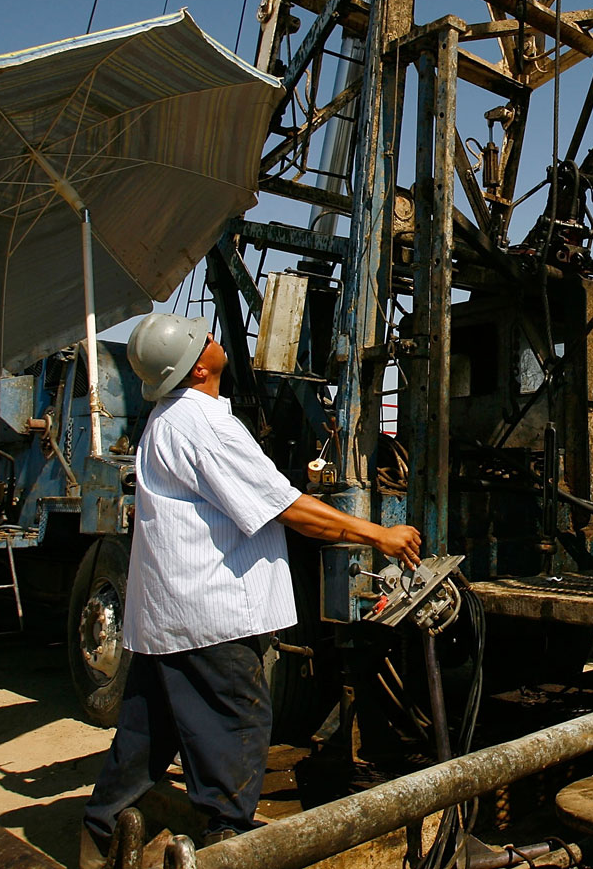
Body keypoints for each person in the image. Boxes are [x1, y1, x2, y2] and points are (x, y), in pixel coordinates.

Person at [80, 313, 422, 868]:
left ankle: (99, 844)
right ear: (194, 369)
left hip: (169, 617)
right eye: (207, 340)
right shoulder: (204, 425)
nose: (216, 341)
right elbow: (283, 506)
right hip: (211, 618)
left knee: (144, 742)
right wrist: (376, 533)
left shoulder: (167, 419)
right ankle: (224, 851)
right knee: (235, 734)